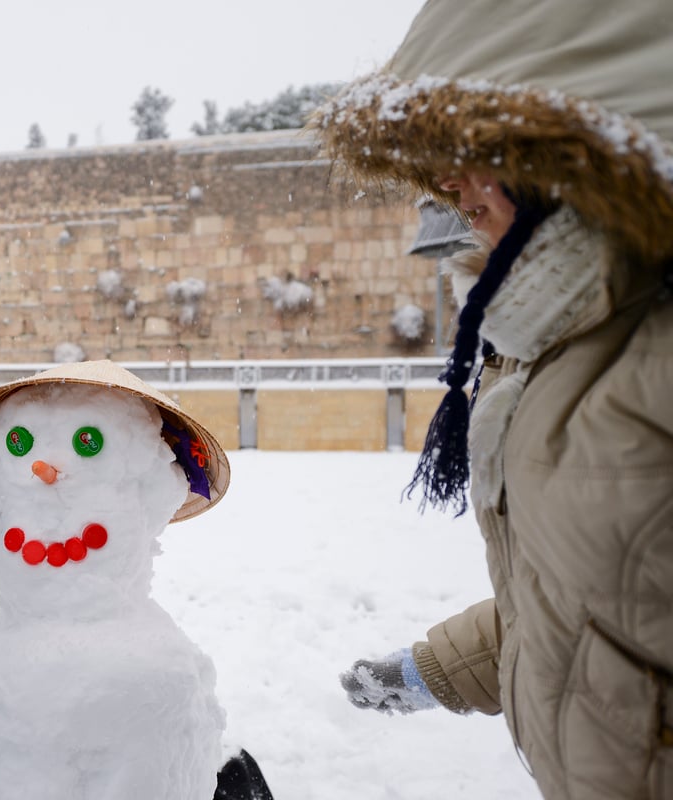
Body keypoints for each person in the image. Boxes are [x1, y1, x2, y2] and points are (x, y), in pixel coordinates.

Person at [311, 0, 673, 797]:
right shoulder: (547, 344)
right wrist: (431, 670)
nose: (447, 185)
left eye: (477, 151)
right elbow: (585, 604)